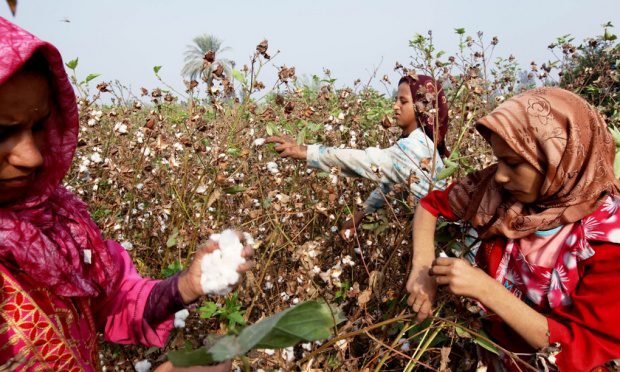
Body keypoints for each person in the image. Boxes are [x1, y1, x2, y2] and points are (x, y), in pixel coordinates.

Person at [0, 18, 251, 371]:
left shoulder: (56, 224)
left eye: (39, 126)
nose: (33, 157)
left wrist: (184, 286)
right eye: (3, 132)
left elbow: (112, 299)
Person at [406, 87, 620, 370]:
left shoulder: (608, 239)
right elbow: (430, 206)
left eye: (514, 163)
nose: (502, 175)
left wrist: (486, 290)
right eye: (499, 160)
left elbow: (581, 347)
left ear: (558, 158)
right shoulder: (499, 191)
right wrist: (422, 269)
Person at [266, 75, 449, 240]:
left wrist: (306, 151)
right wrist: (361, 214)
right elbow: (392, 184)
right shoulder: (417, 143)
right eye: (396, 100)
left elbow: (366, 161)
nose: (395, 106)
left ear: (423, 108)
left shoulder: (416, 147)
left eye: (403, 101)